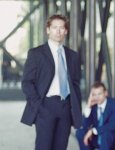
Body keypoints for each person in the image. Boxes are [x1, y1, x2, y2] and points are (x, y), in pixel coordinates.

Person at [20, 14, 82, 150]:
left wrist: (76, 110)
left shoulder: (72, 56)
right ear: (48, 30)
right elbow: (26, 82)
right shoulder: (36, 54)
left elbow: (75, 85)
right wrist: (39, 105)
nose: (58, 31)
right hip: (45, 106)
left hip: (65, 107)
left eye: (61, 28)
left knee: (61, 147)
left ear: (66, 31)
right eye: (54, 27)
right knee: (44, 146)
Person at [76, 82, 115, 150]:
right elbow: (84, 125)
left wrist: (93, 131)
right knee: (80, 132)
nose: (96, 97)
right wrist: (88, 106)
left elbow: (112, 126)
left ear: (105, 93)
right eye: (94, 94)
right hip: (97, 138)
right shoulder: (93, 105)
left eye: (99, 94)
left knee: (106, 134)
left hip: (113, 140)